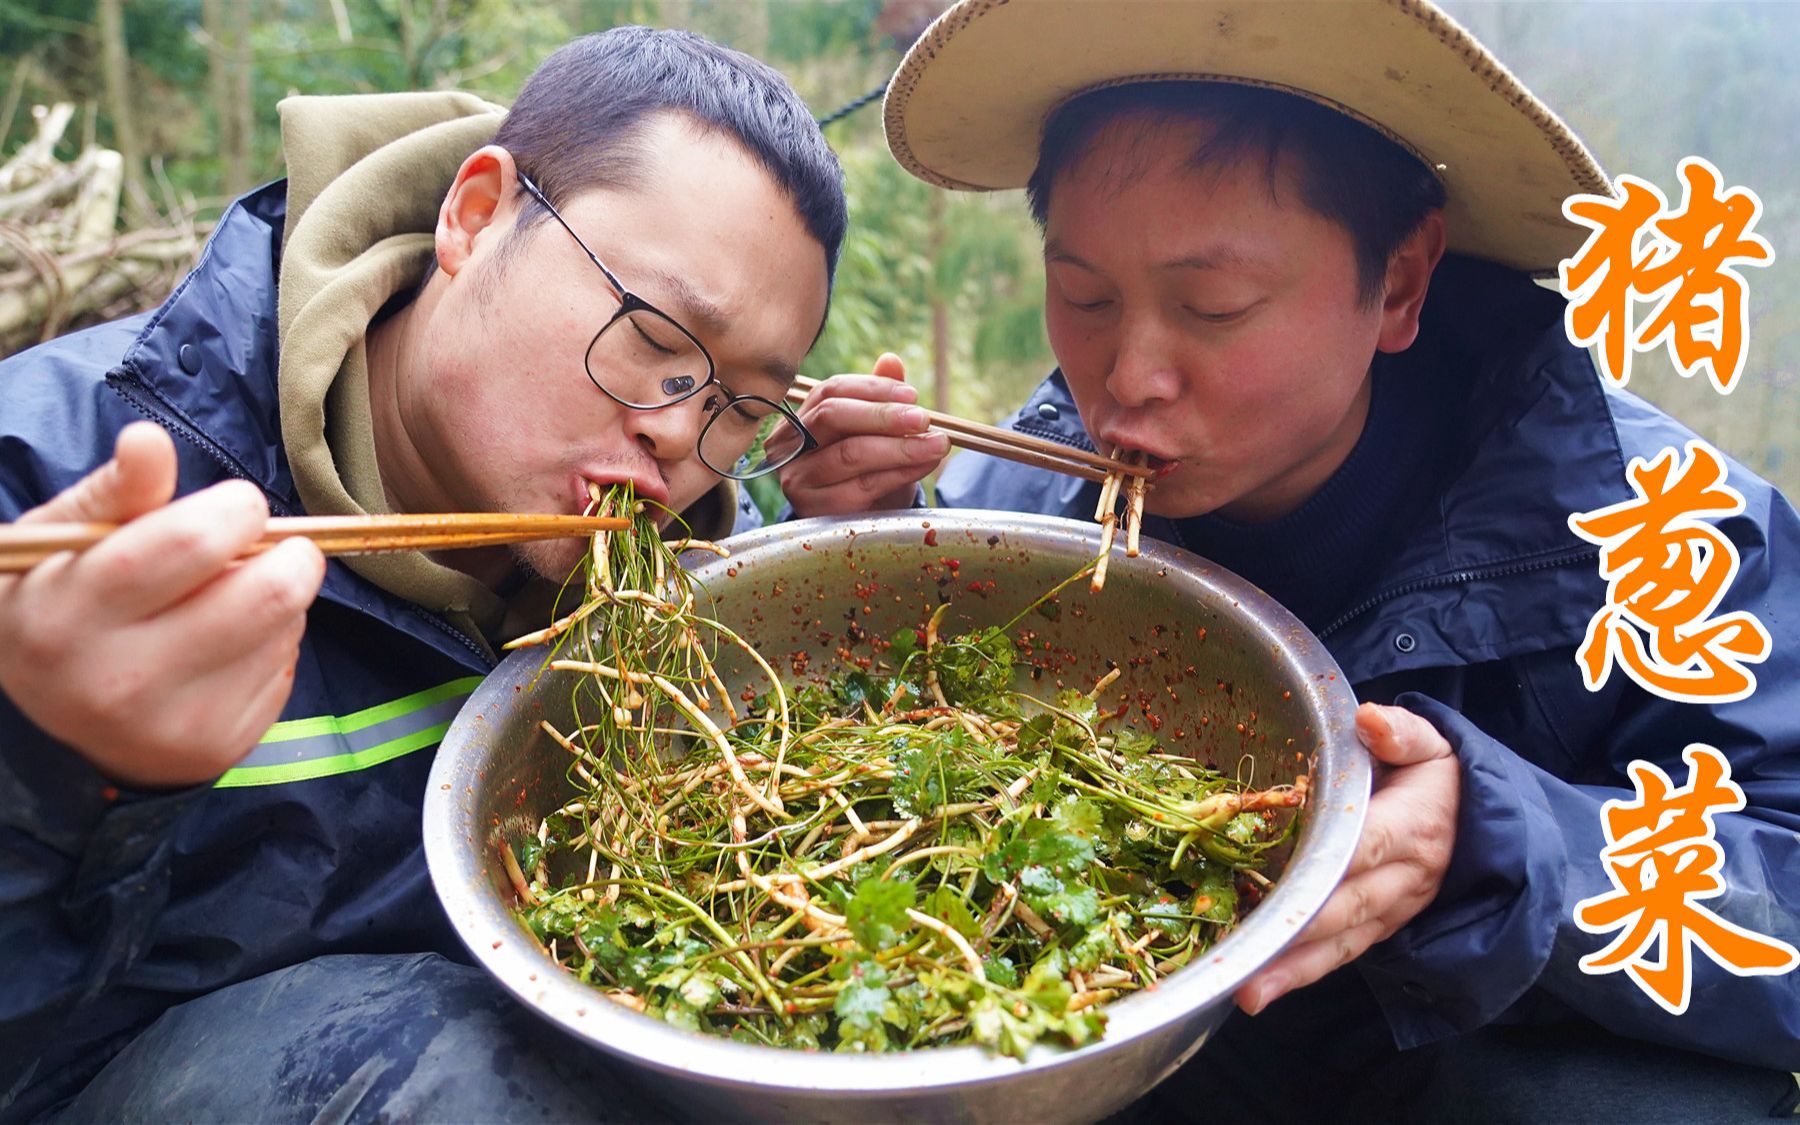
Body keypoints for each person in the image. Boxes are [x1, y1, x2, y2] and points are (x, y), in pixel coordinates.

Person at [779, 0, 1800, 1119]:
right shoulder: (1028, 511)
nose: (1129, 376)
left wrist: (1506, 843)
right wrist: (874, 564)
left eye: (1213, 305)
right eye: (1084, 295)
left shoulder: (1665, 542)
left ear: (1401, 284)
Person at [0, 26, 936, 1121]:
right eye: (656, 337)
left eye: (737, 402)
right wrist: (56, 775)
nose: (682, 438)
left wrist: (861, 544)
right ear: (475, 215)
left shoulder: (678, 576)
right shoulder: (58, 489)